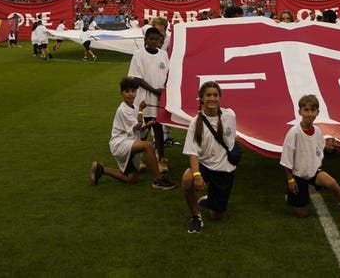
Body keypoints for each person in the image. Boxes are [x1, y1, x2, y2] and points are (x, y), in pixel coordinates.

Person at [280, 94, 340, 224]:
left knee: (333, 183)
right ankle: (290, 194)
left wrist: (328, 147)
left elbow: (319, 149)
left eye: (313, 110)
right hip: (298, 176)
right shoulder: (294, 133)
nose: (309, 114)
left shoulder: (317, 131)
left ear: (317, 112)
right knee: (302, 214)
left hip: (314, 172)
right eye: (306, 110)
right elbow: (286, 159)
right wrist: (291, 180)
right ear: (300, 112)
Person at [90, 77, 176, 190]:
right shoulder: (122, 109)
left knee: (132, 179)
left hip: (129, 142)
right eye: (127, 91)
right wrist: (141, 110)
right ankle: (158, 179)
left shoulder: (134, 108)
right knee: (148, 145)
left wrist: (148, 125)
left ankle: (101, 169)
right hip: (120, 143)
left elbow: (139, 129)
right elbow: (138, 125)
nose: (130, 94)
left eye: (133, 91)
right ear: (121, 93)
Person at [182, 81, 239, 234]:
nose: (212, 98)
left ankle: (210, 199)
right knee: (187, 179)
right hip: (205, 165)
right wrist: (196, 174)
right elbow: (193, 151)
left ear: (220, 97)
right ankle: (196, 216)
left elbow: (232, 139)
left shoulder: (230, 115)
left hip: (224, 168)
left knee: (216, 215)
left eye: (215, 95)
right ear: (201, 98)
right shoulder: (195, 123)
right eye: (208, 95)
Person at [127, 27, 169, 171]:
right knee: (142, 129)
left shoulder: (163, 54)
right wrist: (154, 91)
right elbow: (136, 78)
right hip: (143, 98)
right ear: (145, 40)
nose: (153, 42)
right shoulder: (138, 54)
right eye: (150, 39)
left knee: (158, 127)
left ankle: (161, 159)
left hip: (159, 98)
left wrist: (164, 90)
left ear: (159, 40)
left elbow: (167, 74)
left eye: (156, 39)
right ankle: (137, 160)